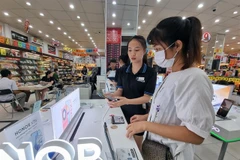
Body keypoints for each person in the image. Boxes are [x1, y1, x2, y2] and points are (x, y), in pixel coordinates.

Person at [126, 17, 215, 159]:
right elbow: (169, 113)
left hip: (171, 154)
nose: (156, 55)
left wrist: (146, 126)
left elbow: (196, 134)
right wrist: (147, 117)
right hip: (156, 150)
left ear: (177, 46)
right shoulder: (173, 75)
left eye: (159, 49)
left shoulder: (194, 78)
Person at [107, 35, 157, 149]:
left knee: (136, 147)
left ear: (144, 51)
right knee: (121, 143)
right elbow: (120, 90)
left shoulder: (150, 73)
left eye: (137, 50)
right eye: (130, 50)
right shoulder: (122, 71)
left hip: (139, 115)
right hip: (121, 112)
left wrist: (126, 101)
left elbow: (146, 98)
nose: (132, 54)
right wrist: (111, 96)